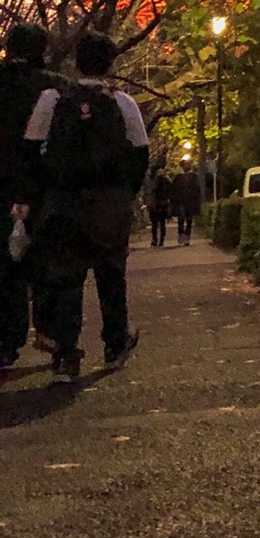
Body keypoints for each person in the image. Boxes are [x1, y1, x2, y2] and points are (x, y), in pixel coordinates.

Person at [18, 32, 149, 383]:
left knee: (66, 279)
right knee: (111, 276)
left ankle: (65, 354)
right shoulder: (122, 102)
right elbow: (140, 153)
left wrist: (36, 197)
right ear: (110, 64)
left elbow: (31, 149)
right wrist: (125, 193)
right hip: (108, 201)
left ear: (76, 61)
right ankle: (115, 345)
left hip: (63, 203)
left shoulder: (52, 98)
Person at [0, 22, 51, 372]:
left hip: (0, 187)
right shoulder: (54, 88)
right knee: (47, 262)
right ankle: (49, 331)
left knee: (5, 268)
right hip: (44, 187)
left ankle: (6, 341)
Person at [172, 161, 200, 245]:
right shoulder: (178, 177)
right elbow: (174, 190)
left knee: (189, 219)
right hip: (181, 201)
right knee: (181, 219)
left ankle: (187, 236)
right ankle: (181, 234)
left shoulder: (194, 177)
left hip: (190, 202)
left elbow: (197, 189)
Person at [147, 166, 173, 248]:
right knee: (162, 223)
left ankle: (155, 240)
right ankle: (161, 239)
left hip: (156, 203)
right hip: (163, 203)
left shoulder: (156, 180)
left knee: (155, 223)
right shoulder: (167, 180)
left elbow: (153, 189)